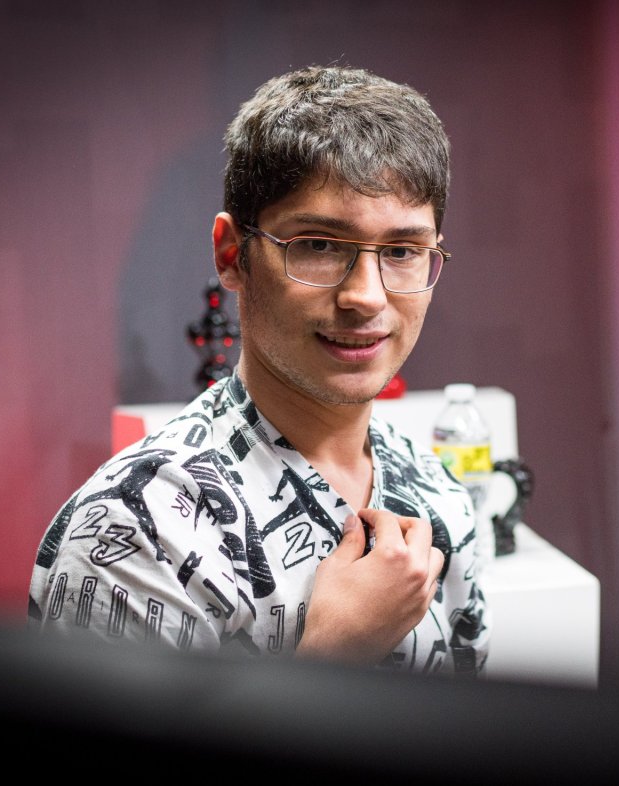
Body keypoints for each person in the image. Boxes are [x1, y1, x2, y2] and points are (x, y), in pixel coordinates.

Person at [27, 65, 488, 677]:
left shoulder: (439, 497)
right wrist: (332, 656)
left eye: (402, 252)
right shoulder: (138, 528)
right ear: (232, 255)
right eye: (319, 245)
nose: (367, 297)